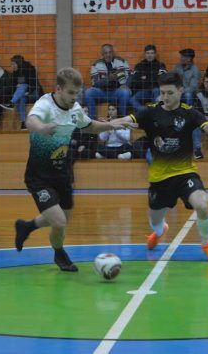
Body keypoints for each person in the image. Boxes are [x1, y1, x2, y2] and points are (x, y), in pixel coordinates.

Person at [13, 67, 135, 272]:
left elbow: (90, 126)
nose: (73, 97)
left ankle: (26, 227)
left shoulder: (75, 108)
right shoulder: (45, 104)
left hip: (62, 173)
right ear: (58, 89)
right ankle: (59, 254)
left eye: (76, 93)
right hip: (39, 176)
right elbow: (31, 120)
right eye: (70, 93)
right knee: (59, 221)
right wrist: (42, 128)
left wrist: (113, 124)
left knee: (63, 218)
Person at [121, 72, 208, 261]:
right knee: (156, 221)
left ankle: (206, 244)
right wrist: (116, 123)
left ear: (180, 90)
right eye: (162, 93)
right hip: (160, 178)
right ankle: (160, 231)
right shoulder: (151, 111)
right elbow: (129, 119)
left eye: (169, 93)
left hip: (185, 173)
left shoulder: (190, 112)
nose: (165, 98)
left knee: (201, 205)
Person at [84, 44, 131, 119]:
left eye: (110, 52)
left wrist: (125, 84)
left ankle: (123, 119)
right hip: (102, 92)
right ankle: (92, 120)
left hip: (117, 91)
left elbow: (130, 77)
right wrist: (107, 79)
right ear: (102, 54)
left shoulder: (122, 61)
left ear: (113, 52)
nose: (108, 55)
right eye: (106, 53)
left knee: (125, 92)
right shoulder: (96, 64)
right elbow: (94, 83)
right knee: (88, 92)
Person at [1, 55, 44, 130]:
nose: (12, 66)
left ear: (18, 63)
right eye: (11, 64)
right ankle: (23, 123)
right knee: (21, 99)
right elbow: (12, 85)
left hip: (34, 92)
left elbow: (34, 83)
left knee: (23, 85)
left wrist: (28, 91)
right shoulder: (16, 72)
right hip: (22, 95)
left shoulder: (30, 69)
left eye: (13, 64)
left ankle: (11, 103)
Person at [129, 44, 167, 112]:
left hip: (156, 90)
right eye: (148, 53)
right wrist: (154, 77)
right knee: (132, 99)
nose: (150, 55)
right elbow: (134, 81)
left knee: (156, 90)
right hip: (144, 90)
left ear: (155, 54)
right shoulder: (139, 65)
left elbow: (163, 80)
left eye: (152, 53)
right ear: (145, 54)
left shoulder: (160, 65)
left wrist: (145, 78)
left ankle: (155, 116)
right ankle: (145, 112)